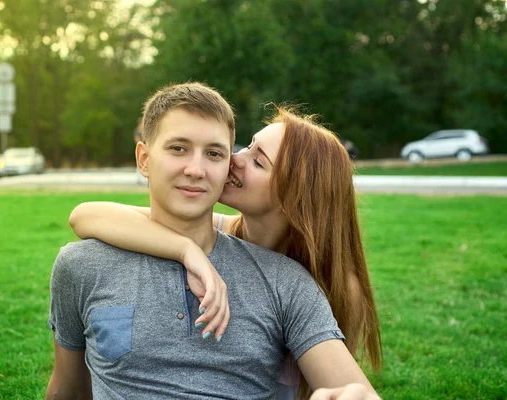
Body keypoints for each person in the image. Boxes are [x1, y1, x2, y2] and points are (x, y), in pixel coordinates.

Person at [47, 82, 379, 399]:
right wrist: (188, 251)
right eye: (178, 148)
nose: (229, 161)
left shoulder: (299, 283)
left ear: (293, 197)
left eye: (216, 154)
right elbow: (84, 215)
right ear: (144, 160)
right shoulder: (82, 265)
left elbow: (351, 387)